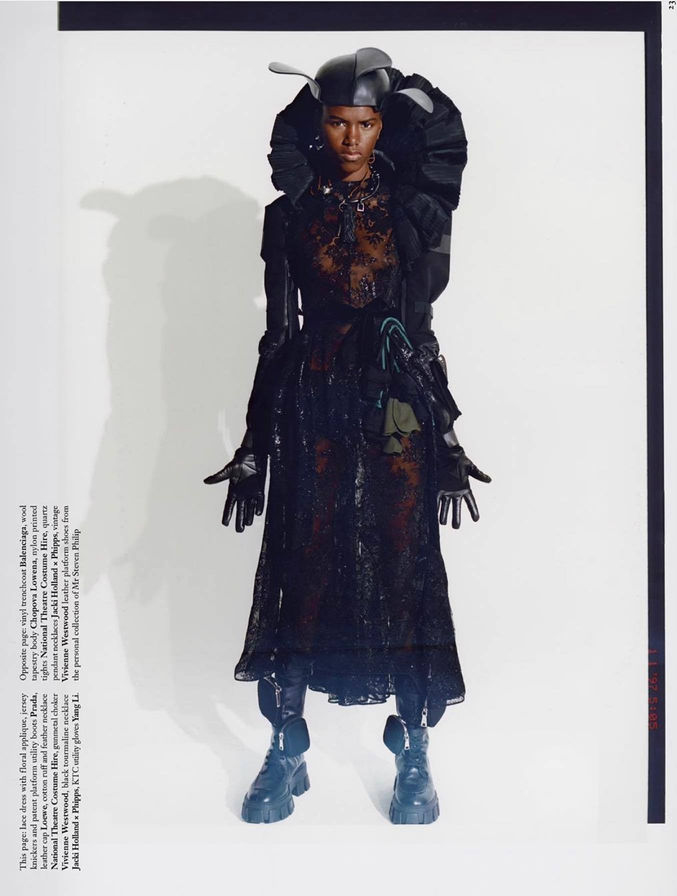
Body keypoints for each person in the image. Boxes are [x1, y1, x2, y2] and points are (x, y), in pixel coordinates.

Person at [205, 47, 490, 825]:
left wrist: (447, 438)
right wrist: (254, 443)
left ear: (382, 125)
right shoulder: (289, 214)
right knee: (303, 565)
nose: (351, 138)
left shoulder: (414, 210)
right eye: (337, 122)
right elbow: (277, 335)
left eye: (364, 123)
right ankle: (285, 748)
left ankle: (414, 751)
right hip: (313, 405)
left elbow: (421, 333)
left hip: (395, 405)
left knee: (404, 566)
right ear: (320, 125)